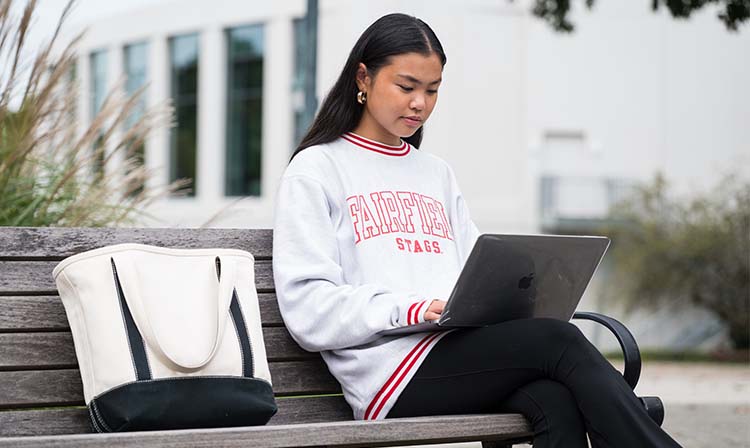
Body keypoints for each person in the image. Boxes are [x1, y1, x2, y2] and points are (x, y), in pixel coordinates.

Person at [272, 12, 682, 448]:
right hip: (390, 374)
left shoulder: (435, 174)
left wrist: (516, 295)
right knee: (557, 340)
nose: (420, 104)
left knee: (554, 398)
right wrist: (411, 309)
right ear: (364, 78)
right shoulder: (317, 168)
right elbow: (307, 308)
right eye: (406, 87)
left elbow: (475, 272)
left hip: (458, 351)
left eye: (432, 91)